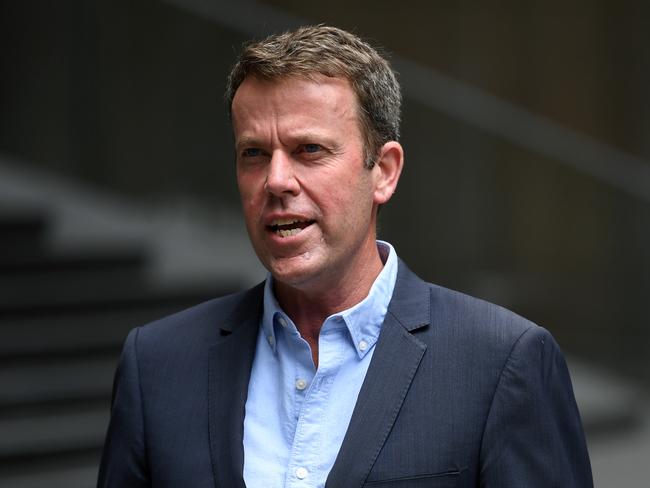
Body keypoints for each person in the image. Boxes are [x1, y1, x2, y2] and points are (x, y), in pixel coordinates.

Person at [98, 25, 593, 487]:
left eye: (309, 149)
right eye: (253, 153)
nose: (275, 180)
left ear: (384, 171)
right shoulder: (157, 365)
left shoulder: (502, 362)